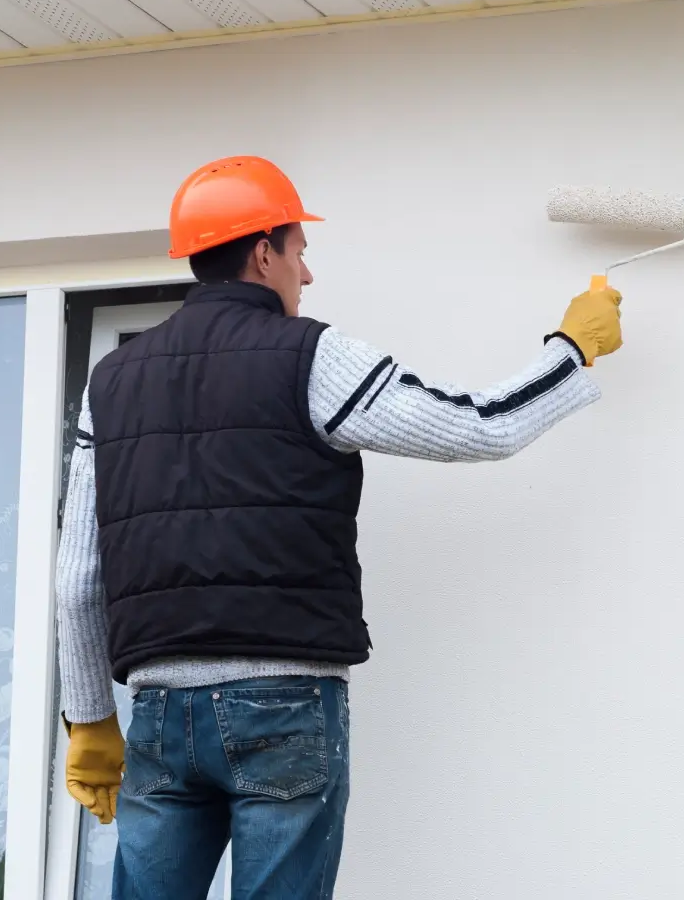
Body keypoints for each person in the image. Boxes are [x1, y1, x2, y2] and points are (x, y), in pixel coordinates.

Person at [56, 156, 622, 900]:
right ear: (264, 251)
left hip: (159, 716)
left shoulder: (113, 380)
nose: (307, 275)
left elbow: (76, 580)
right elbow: (478, 427)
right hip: (283, 706)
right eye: (300, 251)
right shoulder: (310, 356)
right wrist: (570, 351)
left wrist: (90, 719)